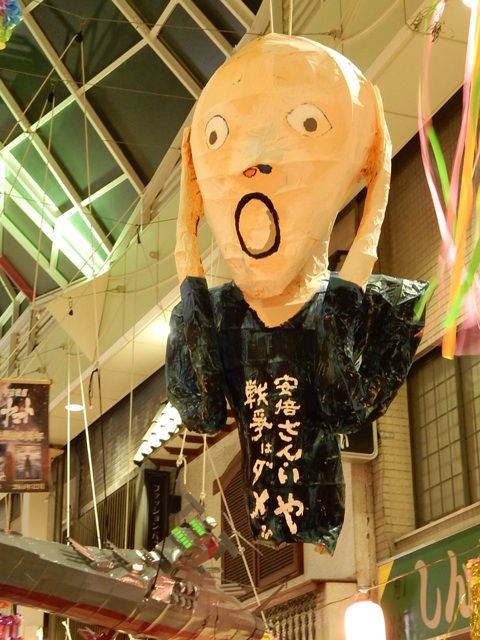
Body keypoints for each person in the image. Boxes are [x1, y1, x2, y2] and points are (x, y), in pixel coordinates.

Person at [166, 34, 426, 553]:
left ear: (363, 162)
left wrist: (363, 247)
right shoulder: (214, 315)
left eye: (307, 124)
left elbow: (342, 406)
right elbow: (203, 411)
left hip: (314, 513)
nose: (254, 163)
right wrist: (186, 259)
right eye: (218, 136)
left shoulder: (386, 309)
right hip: (265, 514)